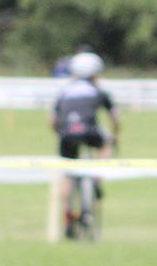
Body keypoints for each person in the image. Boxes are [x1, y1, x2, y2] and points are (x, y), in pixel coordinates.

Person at [51, 51, 121, 200]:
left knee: (68, 174)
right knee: (106, 144)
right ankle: (97, 177)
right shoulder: (98, 90)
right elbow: (115, 117)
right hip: (90, 131)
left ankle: (67, 215)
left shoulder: (65, 91)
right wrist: (115, 135)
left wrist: (58, 133)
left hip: (67, 133)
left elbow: (52, 119)